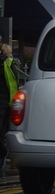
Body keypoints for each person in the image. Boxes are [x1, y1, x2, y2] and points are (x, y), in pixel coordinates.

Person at [0, 39, 18, 169]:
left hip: (4, 102)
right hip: (6, 103)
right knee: (2, 132)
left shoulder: (6, 63)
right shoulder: (9, 63)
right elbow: (13, 83)